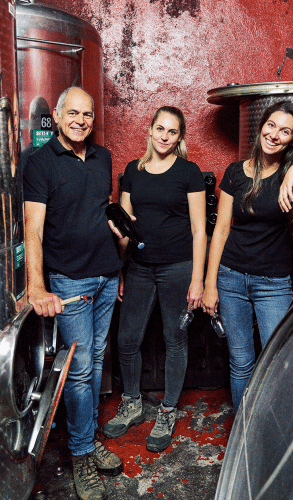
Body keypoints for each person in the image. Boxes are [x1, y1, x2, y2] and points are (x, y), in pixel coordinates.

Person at [202, 100, 293, 413]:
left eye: (285, 131)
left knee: (276, 360)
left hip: (273, 283)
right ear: (261, 126)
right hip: (230, 278)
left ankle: (269, 433)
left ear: (292, 140)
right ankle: (244, 433)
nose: (275, 135)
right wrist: (210, 284)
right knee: (241, 363)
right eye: (271, 125)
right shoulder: (235, 173)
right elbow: (221, 230)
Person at [23, 87, 123, 500]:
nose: (81, 121)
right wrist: (36, 285)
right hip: (71, 282)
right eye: (73, 113)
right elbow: (33, 229)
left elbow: (101, 210)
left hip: (107, 276)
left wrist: (121, 258)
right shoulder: (40, 162)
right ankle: (81, 453)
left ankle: (87, 437)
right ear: (59, 115)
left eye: (88, 114)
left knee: (96, 359)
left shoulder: (103, 157)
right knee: (79, 369)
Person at [103, 106, 206, 452]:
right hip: (140, 268)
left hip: (178, 267)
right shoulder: (133, 171)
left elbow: (199, 230)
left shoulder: (189, 172)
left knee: (175, 339)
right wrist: (120, 268)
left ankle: (168, 410)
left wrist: (198, 279)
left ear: (180, 137)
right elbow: (125, 226)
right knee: (127, 339)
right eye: (160, 128)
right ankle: (132, 403)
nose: (164, 136)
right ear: (150, 130)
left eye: (172, 131)